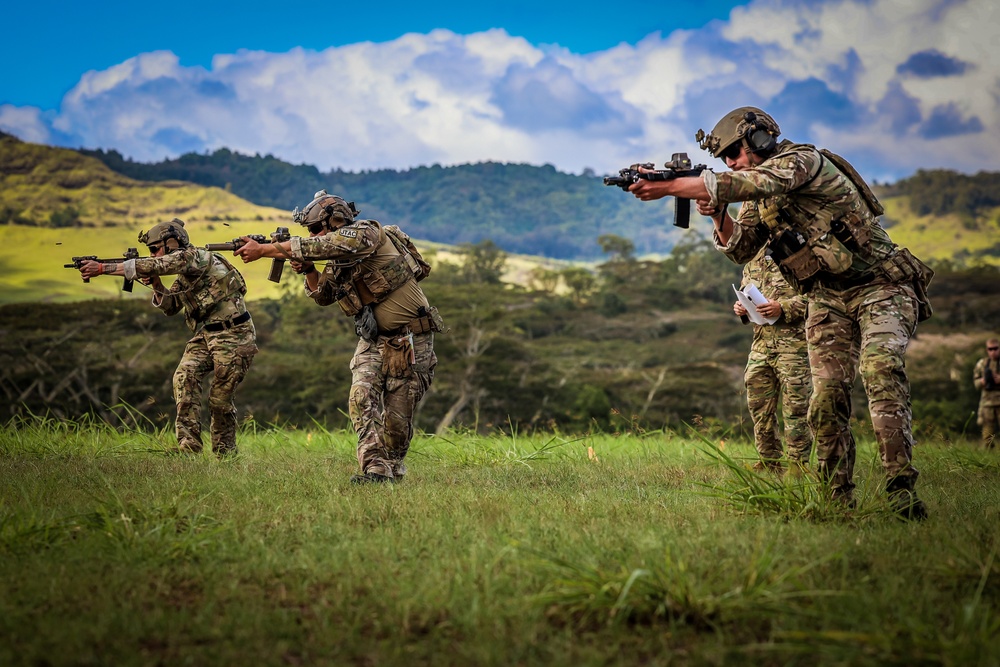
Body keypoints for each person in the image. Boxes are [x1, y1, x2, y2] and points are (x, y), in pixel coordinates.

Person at [629, 107, 933, 520]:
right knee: (825, 398)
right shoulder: (757, 195)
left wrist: (674, 188)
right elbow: (742, 247)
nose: (731, 163)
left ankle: (900, 489)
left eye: (734, 153)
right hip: (826, 296)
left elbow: (753, 181)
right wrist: (717, 212)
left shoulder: (801, 161)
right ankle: (834, 500)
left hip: (882, 285)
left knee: (880, 370)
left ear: (758, 139)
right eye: (724, 160)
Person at [233, 191, 441, 484]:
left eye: (316, 229)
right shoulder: (337, 260)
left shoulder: (366, 233)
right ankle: (374, 471)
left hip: (411, 342)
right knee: (360, 399)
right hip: (373, 341)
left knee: (396, 420)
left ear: (337, 220)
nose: (313, 235)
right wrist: (308, 270)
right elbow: (324, 296)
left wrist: (269, 250)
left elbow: (325, 245)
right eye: (310, 231)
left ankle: (393, 469)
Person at [77, 218, 258, 457]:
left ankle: (225, 454)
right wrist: (156, 284)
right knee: (184, 377)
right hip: (208, 335)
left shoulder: (194, 257)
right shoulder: (186, 274)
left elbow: (161, 264)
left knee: (219, 400)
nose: (152, 255)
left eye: (154, 250)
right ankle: (188, 447)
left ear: (171, 244)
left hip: (235, 334)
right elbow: (171, 306)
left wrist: (102, 269)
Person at [735, 247, 812, 474]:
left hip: (794, 346)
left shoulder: (802, 256)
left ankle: (798, 465)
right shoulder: (752, 261)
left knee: (796, 408)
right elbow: (746, 291)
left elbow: (818, 298)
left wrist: (782, 307)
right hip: (761, 345)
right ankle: (769, 461)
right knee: (759, 406)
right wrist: (741, 308)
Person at [972, 338, 1000, 449]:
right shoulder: (982, 364)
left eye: (996, 348)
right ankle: (990, 454)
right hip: (987, 402)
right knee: (987, 434)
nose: (993, 351)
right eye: (990, 349)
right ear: (987, 350)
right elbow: (975, 382)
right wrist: (982, 381)